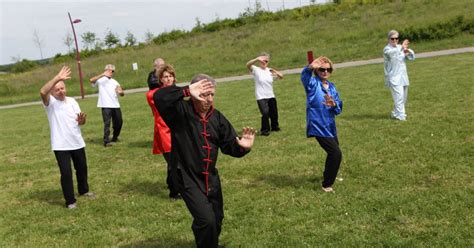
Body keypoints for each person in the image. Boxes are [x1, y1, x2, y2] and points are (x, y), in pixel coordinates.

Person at [154, 74, 256, 248]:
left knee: (216, 218)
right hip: (186, 176)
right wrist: (186, 90)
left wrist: (243, 147)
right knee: (206, 220)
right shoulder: (180, 112)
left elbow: (229, 145)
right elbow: (159, 97)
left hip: (210, 177)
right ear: (193, 94)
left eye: (211, 95)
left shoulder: (216, 118)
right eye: (203, 95)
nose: (208, 99)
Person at [40, 66, 94, 209]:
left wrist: (82, 121)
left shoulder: (72, 101)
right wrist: (58, 78)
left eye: (62, 88)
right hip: (61, 145)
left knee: (82, 168)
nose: (60, 91)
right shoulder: (50, 103)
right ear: (52, 91)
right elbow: (42, 91)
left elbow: (80, 122)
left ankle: (84, 190)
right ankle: (70, 201)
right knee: (66, 173)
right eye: (57, 89)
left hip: (77, 141)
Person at [301, 56, 343, 193]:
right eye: (322, 69)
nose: (325, 72)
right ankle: (327, 185)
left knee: (334, 153)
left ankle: (329, 175)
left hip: (330, 125)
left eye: (328, 69)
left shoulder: (332, 87)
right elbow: (304, 77)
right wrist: (309, 68)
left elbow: (338, 109)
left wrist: (334, 104)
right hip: (318, 125)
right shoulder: (312, 84)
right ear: (317, 71)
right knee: (335, 153)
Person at [145, 64, 179, 199]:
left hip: (177, 130)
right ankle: (174, 192)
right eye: (166, 77)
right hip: (164, 131)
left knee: (176, 161)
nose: (169, 79)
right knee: (174, 162)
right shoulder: (154, 94)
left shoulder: (176, 91)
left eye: (171, 76)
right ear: (160, 79)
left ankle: (174, 186)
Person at [246, 52, 283, 136]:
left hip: (271, 95)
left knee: (274, 113)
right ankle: (265, 130)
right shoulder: (256, 69)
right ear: (260, 61)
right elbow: (247, 64)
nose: (264, 63)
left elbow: (281, 76)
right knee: (265, 113)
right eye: (262, 61)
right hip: (261, 96)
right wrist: (256, 58)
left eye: (266, 61)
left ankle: (275, 127)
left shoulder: (269, 71)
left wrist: (275, 71)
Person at [383, 30, 415, 121]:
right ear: (389, 39)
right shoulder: (387, 49)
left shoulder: (400, 48)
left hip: (403, 77)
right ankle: (401, 116)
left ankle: (395, 113)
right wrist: (402, 47)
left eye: (396, 38)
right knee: (399, 97)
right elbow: (392, 53)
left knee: (404, 98)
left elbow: (411, 57)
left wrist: (407, 51)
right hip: (393, 78)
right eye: (392, 39)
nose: (395, 40)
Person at [90, 64, 125, 147]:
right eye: (109, 70)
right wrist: (102, 74)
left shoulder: (115, 82)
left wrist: (121, 92)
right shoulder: (100, 80)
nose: (111, 72)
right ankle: (106, 141)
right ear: (105, 70)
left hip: (115, 105)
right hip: (105, 105)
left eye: (112, 71)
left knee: (119, 122)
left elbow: (122, 93)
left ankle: (115, 137)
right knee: (107, 123)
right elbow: (91, 80)